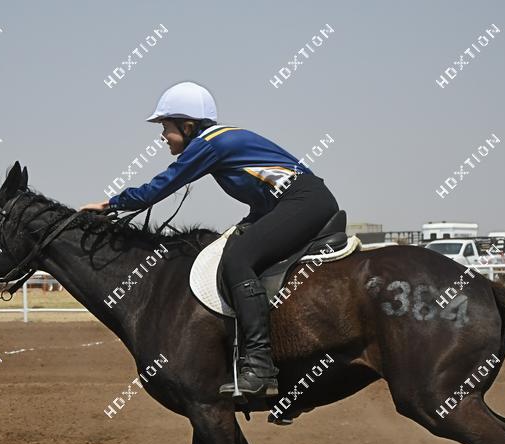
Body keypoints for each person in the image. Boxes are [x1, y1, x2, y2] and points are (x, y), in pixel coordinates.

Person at [81, 81, 339, 398]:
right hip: (300, 201)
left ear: (188, 126)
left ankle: (260, 367)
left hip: (303, 202)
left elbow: (163, 185)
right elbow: (265, 198)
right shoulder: (221, 140)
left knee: (238, 260)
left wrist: (112, 204)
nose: (163, 136)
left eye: (166, 127)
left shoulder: (210, 144)